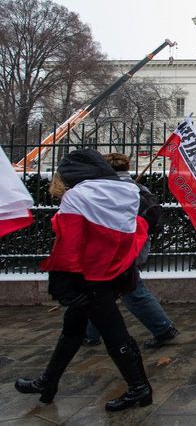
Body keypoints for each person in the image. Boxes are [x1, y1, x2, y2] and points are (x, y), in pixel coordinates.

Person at [14, 149, 153, 411]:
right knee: (73, 329)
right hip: (113, 271)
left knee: (114, 334)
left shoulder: (77, 196)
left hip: (86, 275)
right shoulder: (126, 192)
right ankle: (49, 381)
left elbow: (69, 242)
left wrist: (63, 281)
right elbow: (135, 231)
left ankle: (140, 388)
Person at [83, 153, 179, 349]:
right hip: (134, 245)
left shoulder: (107, 190)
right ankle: (88, 333)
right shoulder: (137, 189)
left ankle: (163, 328)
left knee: (127, 291)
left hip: (116, 248)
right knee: (104, 290)